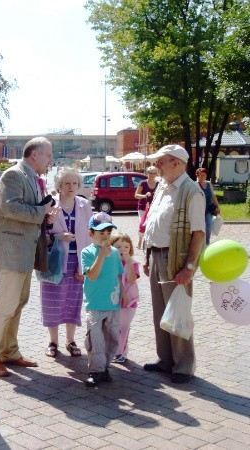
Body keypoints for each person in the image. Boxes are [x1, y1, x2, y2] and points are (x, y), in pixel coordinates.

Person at [0, 137, 59, 377]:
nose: (50, 160)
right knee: (5, 305)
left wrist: (45, 217)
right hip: (11, 253)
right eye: (48, 155)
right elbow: (10, 208)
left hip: (24, 252)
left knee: (17, 303)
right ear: (35, 155)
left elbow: (29, 211)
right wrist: (41, 212)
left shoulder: (32, 178)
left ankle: (9, 351)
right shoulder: (13, 175)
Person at [143, 144, 205, 384]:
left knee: (178, 311)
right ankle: (166, 360)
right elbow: (153, 224)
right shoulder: (162, 187)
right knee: (160, 310)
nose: (157, 166)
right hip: (157, 255)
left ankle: (183, 365)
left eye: (162, 161)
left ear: (178, 163)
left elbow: (198, 233)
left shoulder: (191, 191)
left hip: (175, 258)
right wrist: (148, 256)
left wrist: (189, 268)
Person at [40, 168, 92, 359]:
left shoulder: (84, 205)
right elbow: (40, 234)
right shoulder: (51, 205)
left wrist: (84, 266)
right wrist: (58, 235)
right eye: (67, 184)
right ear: (59, 186)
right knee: (52, 302)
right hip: (55, 261)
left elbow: (90, 235)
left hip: (77, 261)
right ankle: (53, 342)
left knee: (73, 302)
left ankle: (70, 340)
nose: (71, 187)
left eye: (75, 183)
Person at [81, 212, 123, 387]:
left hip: (113, 303)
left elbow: (119, 275)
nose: (105, 237)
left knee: (112, 338)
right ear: (91, 234)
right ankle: (96, 370)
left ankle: (105, 368)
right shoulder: (88, 252)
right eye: (101, 234)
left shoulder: (114, 253)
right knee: (96, 338)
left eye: (108, 233)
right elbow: (92, 275)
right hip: (95, 303)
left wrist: (124, 293)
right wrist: (100, 256)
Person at [109, 233, 140, 364]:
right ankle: (112, 350)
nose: (123, 250)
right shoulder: (109, 262)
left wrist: (128, 263)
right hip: (113, 300)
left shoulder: (133, 263)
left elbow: (132, 279)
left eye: (126, 246)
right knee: (112, 326)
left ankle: (121, 352)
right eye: (118, 246)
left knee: (124, 326)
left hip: (129, 301)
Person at [134, 166, 159, 248]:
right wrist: (145, 196)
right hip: (142, 207)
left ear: (156, 174)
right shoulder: (143, 183)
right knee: (142, 223)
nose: (151, 175)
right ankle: (140, 240)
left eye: (153, 173)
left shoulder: (158, 184)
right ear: (147, 173)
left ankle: (148, 241)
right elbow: (136, 195)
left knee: (151, 224)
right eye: (150, 173)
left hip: (154, 208)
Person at [196, 167, 220, 244]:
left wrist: (217, 206)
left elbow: (213, 196)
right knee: (198, 228)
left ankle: (207, 243)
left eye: (204, 175)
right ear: (197, 176)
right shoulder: (195, 185)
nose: (202, 177)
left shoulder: (208, 184)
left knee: (209, 225)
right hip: (198, 211)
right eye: (200, 175)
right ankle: (198, 243)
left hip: (208, 210)